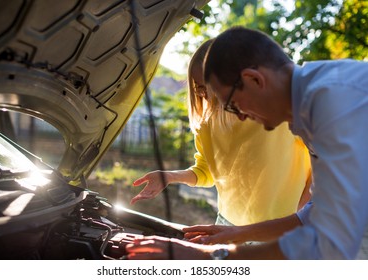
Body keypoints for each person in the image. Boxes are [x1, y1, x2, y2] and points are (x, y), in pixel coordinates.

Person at [126, 26, 368, 259]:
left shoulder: (332, 105)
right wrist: (236, 233)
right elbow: (313, 216)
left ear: (254, 79)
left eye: (232, 104)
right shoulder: (307, 112)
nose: (239, 115)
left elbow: (328, 244)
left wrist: (209, 257)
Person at [130, 39, 311, 227]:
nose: (202, 94)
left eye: (208, 86)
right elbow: (205, 172)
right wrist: (170, 176)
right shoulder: (206, 124)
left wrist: (299, 214)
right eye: (197, 87)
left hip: (278, 230)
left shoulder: (281, 108)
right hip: (227, 224)